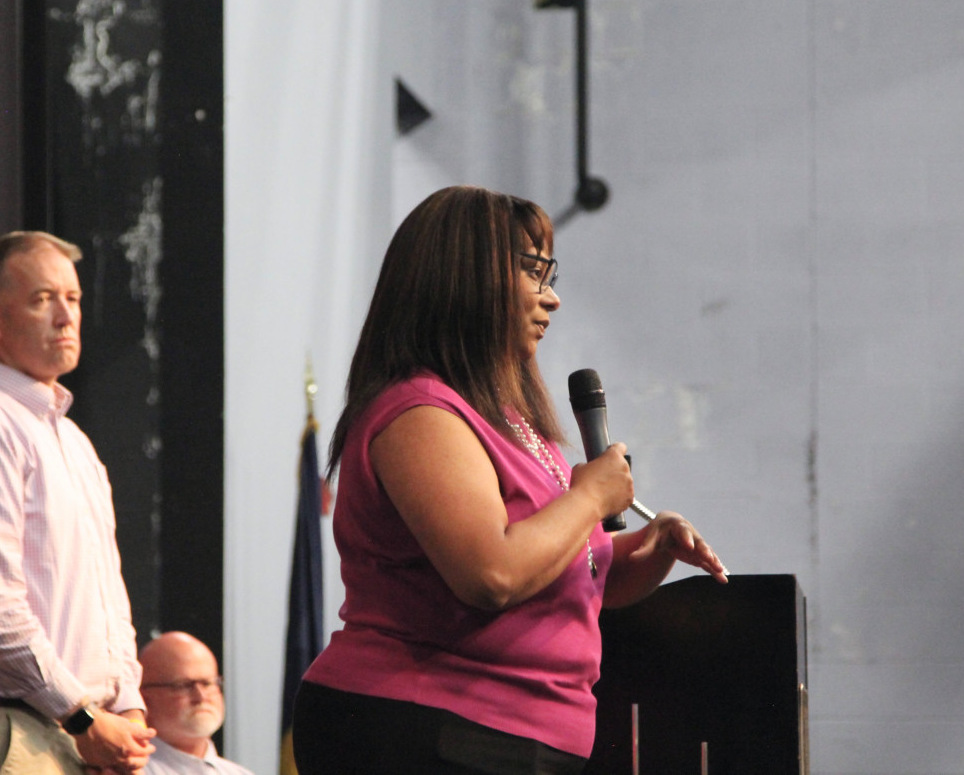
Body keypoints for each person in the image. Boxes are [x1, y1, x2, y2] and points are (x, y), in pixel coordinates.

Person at [291, 186, 729, 774]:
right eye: (534, 272)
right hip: (424, 728)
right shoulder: (421, 414)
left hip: (504, 738)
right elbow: (492, 574)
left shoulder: (514, 425)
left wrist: (645, 550)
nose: (551, 299)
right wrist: (590, 497)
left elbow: (558, 574)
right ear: (466, 279)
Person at [0, 231, 156, 773]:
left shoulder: (74, 443)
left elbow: (111, 604)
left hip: (83, 735)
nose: (67, 317)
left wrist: (128, 709)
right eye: (44, 299)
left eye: (73, 299)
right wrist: (86, 717)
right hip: (9, 731)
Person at [139, 631, 255, 775]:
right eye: (183, 685)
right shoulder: (126, 770)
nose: (201, 696)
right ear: (144, 698)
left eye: (207, 683)